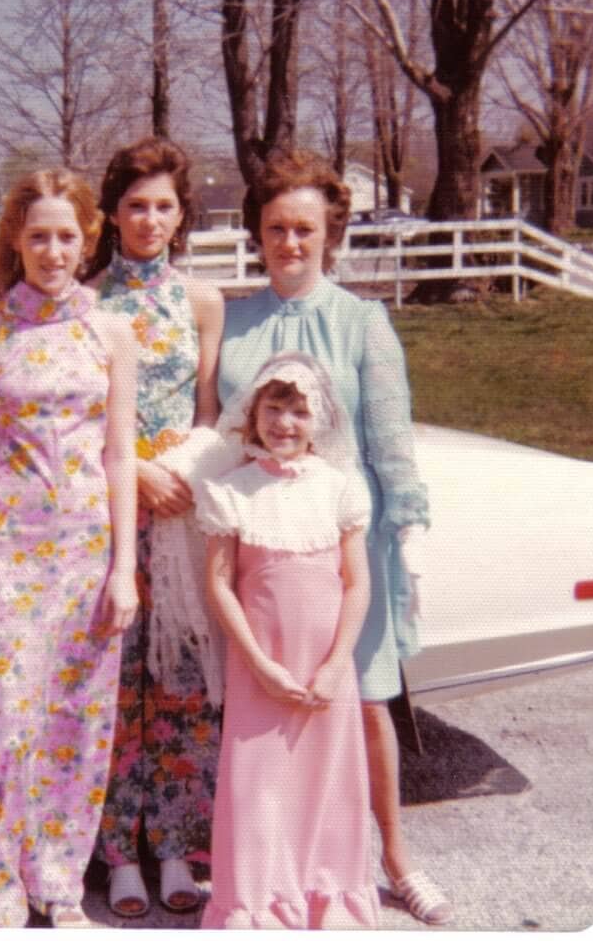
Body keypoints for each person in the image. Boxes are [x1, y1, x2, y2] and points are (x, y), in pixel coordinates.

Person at [218, 149, 453, 925]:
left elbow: (389, 434)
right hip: (260, 548)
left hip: (347, 541)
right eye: (277, 228)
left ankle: (393, 860)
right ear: (258, 232)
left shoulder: (362, 320)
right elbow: (216, 432)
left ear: (330, 235)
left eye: (305, 230)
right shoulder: (235, 318)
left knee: (365, 701)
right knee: (267, 711)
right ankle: (280, 870)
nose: (290, 242)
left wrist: (401, 523)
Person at [0, 169, 138, 928]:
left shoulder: (110, 330)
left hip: (87, 556)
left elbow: (120, 455)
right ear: (15, 240)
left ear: (88, 240)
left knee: (76, 723)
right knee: (0, 719)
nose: (54, 251)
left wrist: (125, 570)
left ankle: (56, 881)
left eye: (68, 236)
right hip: (7, 554)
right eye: (39, 235)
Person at [84, 137, 224, 917]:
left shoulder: (201, 301)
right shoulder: (90, 298)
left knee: (179, 683)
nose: (149, 219)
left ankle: (175, 846)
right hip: (107, 512)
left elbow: (207, 407)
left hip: (178, 511)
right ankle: (117, 854)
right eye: (135, 205)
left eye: (163, 206)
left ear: (181, 215)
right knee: (112, 681)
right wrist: (132, 472)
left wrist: (181, 470)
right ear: (111, 212)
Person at [198, 351, 378, 929]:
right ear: (253, 416)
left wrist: (334, 665)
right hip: (264, 669)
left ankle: (328, 898)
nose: (285, 423)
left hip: (327, 666)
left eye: (299, 411)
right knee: (259, 787)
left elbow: (356, 584)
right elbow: (221, 585)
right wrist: (257, 663)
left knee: (326, 782)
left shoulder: (338, 488)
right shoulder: (233, 491)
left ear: (319, 419)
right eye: (274, 408)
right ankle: (258, 906)